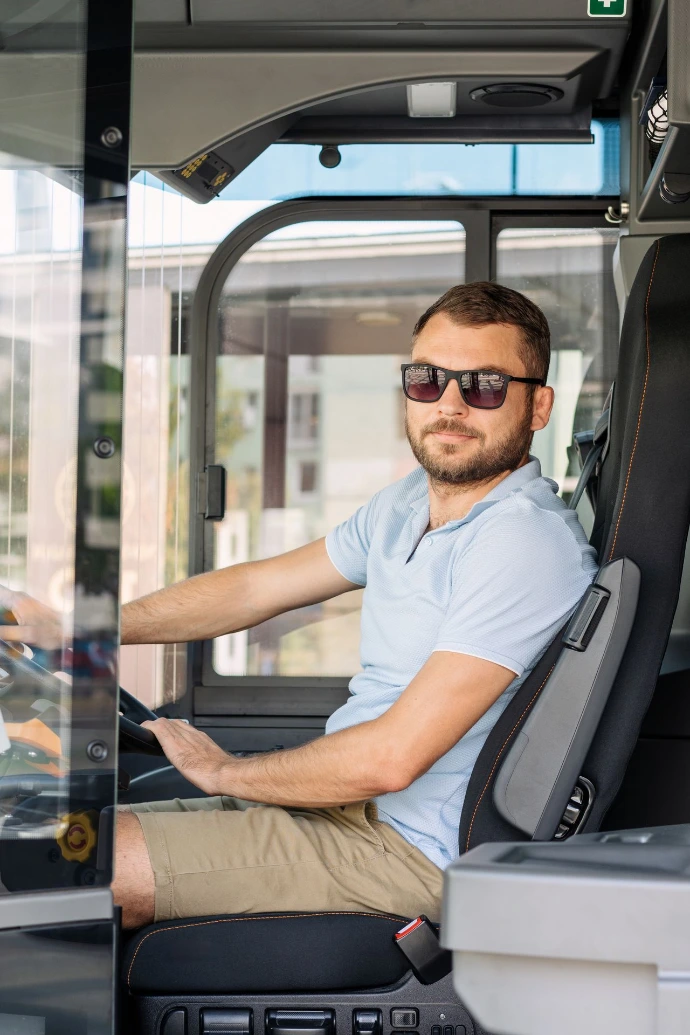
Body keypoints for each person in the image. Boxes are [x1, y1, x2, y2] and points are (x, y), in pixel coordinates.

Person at [4, 282, 598, 929]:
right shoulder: (405, 506)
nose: (448, 405)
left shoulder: (521, 539)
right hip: (347, 812)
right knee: (47, 838)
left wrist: (225, 770)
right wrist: (84, 629)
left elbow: (389, 758)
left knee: (67, 865)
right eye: (428, 380)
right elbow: (256, 589)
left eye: (483, 385)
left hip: (405, 846)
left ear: (538, 406)